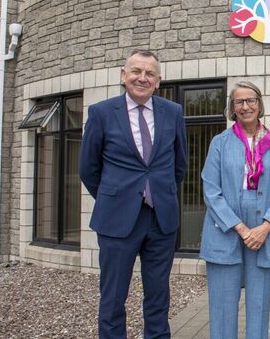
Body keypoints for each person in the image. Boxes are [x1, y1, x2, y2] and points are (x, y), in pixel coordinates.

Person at [79, 49, 187, 338]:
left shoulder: (173, 112)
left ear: (158, 80)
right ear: (123, 75)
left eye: (150, 73)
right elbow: (88, 169)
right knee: (113, 298)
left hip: (161, 220)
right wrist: (114, 197)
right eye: (136, 71)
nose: (143, 78)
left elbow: (179, 165)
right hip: (116, 220)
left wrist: (159, 194)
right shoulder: (101, 113)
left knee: (158, 297)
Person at [199, 81, 270, 339]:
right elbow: (211, 190)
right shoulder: (219, 143)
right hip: (225, 229)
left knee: (259, 305)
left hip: (263, 231)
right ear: (232, 107)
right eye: (239, 101)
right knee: (222, 306)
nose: (245, 106)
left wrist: (264, 228)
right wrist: (240, 228)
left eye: (251, 100)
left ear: (259, 104)